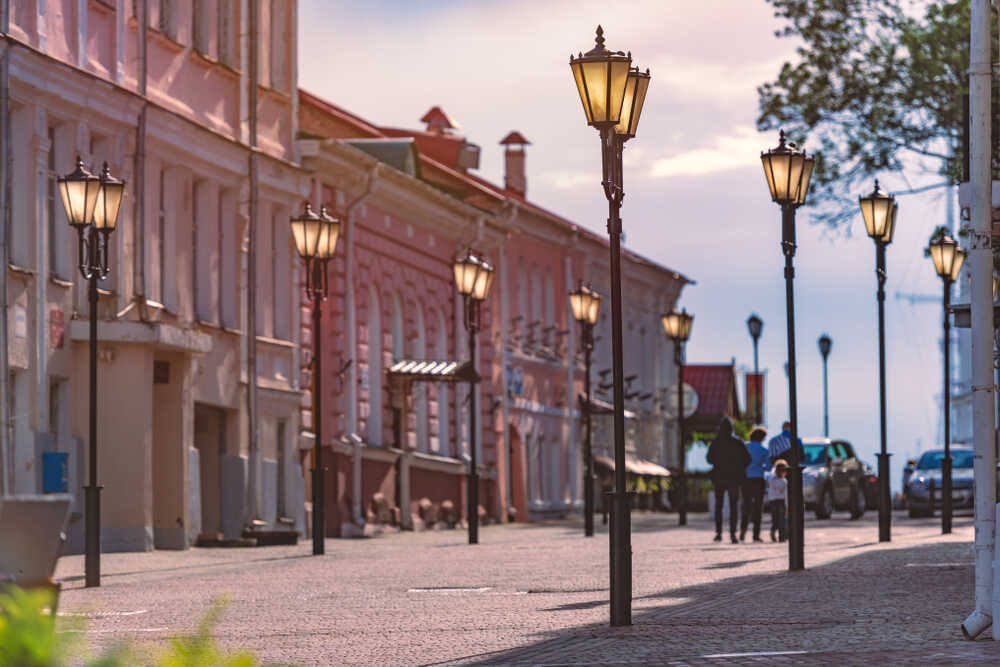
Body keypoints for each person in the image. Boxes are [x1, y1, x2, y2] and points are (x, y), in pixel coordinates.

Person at [707, 416, 751, 544]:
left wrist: (719, 463)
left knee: (719, 506)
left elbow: (709, 459)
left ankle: (719, 533)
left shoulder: (715, 442)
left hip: (719, 478)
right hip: (735, 479)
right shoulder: (738, 442)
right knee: (733, 506)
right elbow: (748, 460)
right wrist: (738, 467)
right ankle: (733, 534)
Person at [740, 426, 769, 542]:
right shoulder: (764, 450)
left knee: (746, 506)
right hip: (758, 479)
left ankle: (742, 531)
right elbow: (768, 467)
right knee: (758, 507)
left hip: (746, 479)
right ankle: (756, 535)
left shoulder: (745, 446)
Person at [767, 460, 789, 542]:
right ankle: (782, 536)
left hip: (773, 501)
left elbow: (770, 492)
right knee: (782, 520)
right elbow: (786, 494)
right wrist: (787, 505)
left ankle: (773, 531)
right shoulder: (784, 481)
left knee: (775, 519)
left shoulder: (771, 480)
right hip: (781, 501)